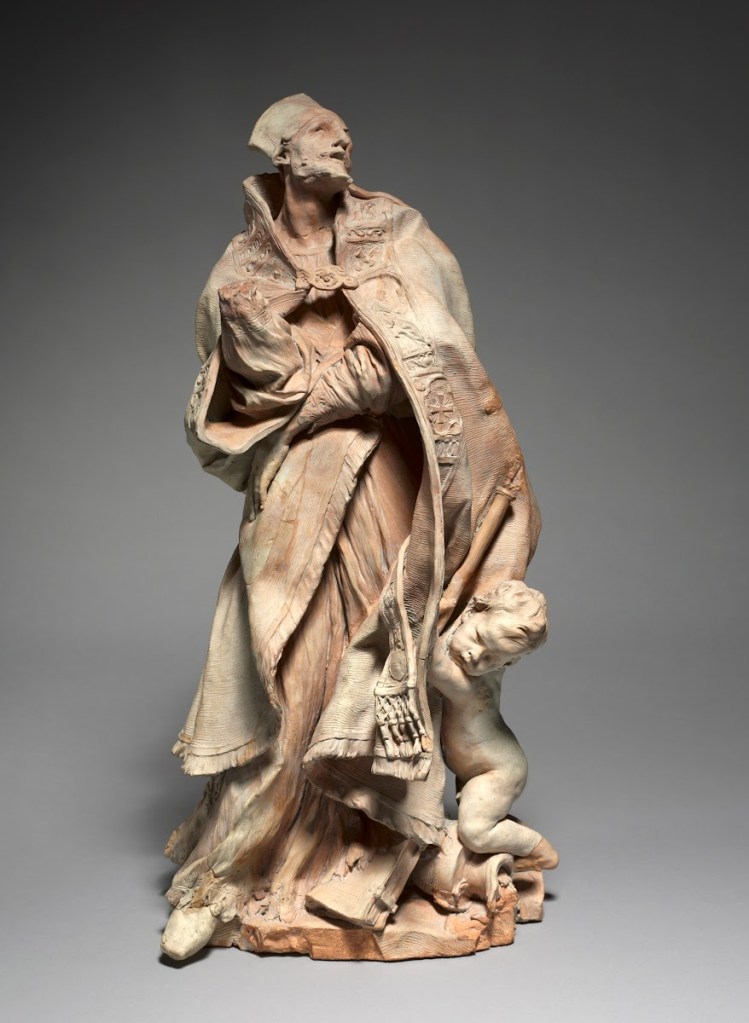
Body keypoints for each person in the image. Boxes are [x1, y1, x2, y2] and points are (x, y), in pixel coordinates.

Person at [161, 94, 542, 960]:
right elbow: (235, 385)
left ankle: (383, 847)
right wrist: (291, 370)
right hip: (296, 488)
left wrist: (336, 382)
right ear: (283, 154)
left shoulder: (394, 230)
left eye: (345, 135)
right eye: (323, 133)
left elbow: (439, 350)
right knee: (282, 666)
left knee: (386, 651)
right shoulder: (241, 264)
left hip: (384, 478)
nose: (343, 140)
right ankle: (233, 870)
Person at [429, 580, 558, 869]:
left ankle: (539, 850)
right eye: (477, 637)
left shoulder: (468, 686)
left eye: (491, 659)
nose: (474, 656)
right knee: (480, 819)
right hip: (478, 765)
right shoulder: (477, 659)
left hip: (496, 770)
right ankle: (504, 833)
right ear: (471, 612)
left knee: (474, 833)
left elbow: (429, 661)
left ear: (505, 665)